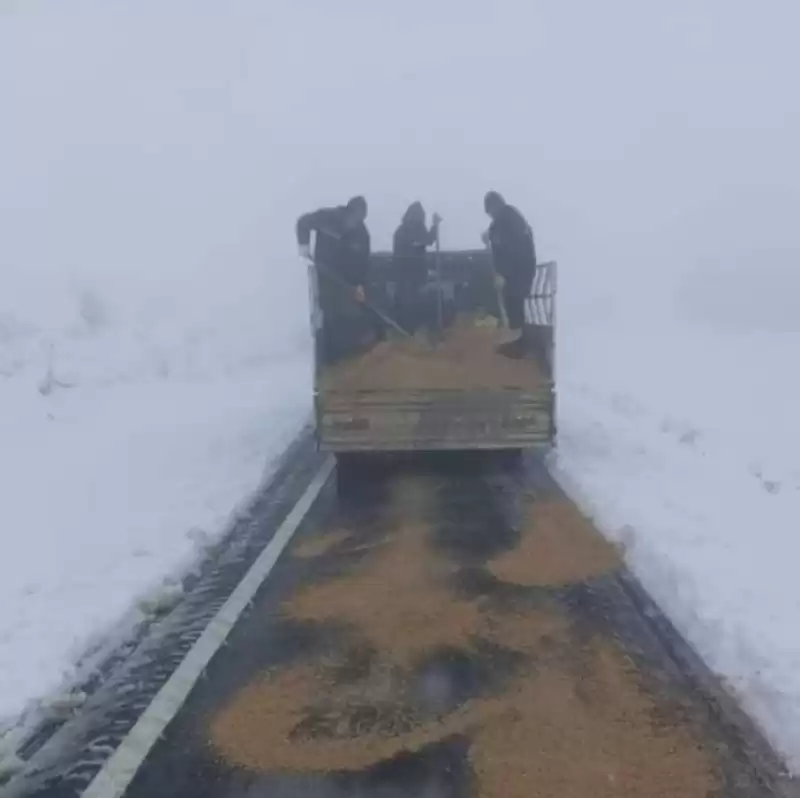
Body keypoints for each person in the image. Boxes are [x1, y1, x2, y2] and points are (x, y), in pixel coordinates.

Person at [296, 196, 371, 364]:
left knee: (349, 318)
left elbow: (363, 262)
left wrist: (360, 286)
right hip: (325, 277)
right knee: (329, 316)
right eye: (354, 218)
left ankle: (348, 360)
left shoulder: (362, 234)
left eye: (360, 220)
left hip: (346, 283)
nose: (355, 223)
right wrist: (304, 248)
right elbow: (303, 223)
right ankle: (329, 360)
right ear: (348, 211)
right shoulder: (327, 217)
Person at [483, 191, 537, 358]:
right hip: (519, 269)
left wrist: (504, 274)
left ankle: (520, 347)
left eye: (490, 210)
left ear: (495, 205)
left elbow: (512, 248)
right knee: (512, 304)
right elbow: (497, 236)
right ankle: (517, 344)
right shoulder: (506, 217)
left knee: (514, 304)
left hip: (518, 270)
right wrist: (489, 235)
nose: (490, 215)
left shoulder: (508, 218)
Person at [392, 201, 441, 334]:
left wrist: (435, 226)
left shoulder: (419, 227)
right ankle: (406, 330)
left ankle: (420, 329)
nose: (420, 219)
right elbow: (410, 246)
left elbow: (428, 240)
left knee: (420, 302)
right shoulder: (402, 231)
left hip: (419, 274)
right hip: (405, 275)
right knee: (407, 303)